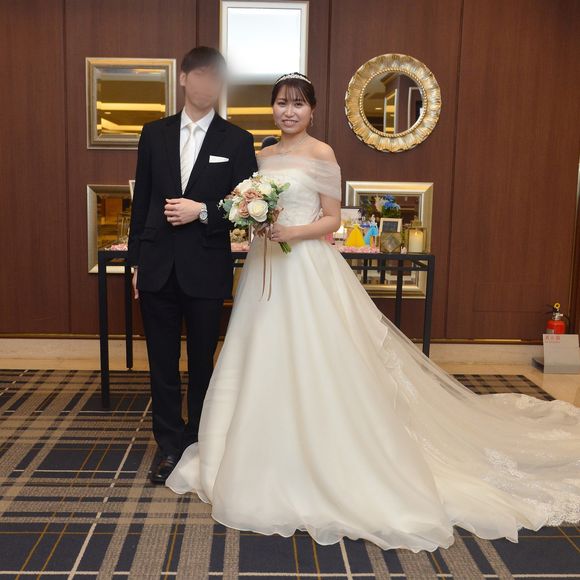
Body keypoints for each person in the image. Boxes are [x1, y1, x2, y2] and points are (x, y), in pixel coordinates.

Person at [165, 72, 580, 552]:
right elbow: (246, 205)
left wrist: (291, 232)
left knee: (316, 358)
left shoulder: (322, 154)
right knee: (258, 354)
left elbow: (331, 218)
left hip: (305, 266)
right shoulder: (263, 155)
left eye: (298, 104)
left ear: (312, 110)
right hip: (264, 267)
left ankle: (324, 451)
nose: (288, 112)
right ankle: (255, 451)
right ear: (272, 108)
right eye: (281, 103)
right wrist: (254, 219)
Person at [127, 46, 257, 484]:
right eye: (199, 75)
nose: (206, 84)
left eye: (214, 77)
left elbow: (245, 208)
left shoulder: (236, 140)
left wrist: (201, 211)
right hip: (157, 265)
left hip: (206, 266)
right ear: (183, 78)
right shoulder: (154, 133)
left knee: (202, 361)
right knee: (162, 363)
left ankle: (198, 441)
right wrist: (136, 262)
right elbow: (142, 202)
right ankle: (168, 446)